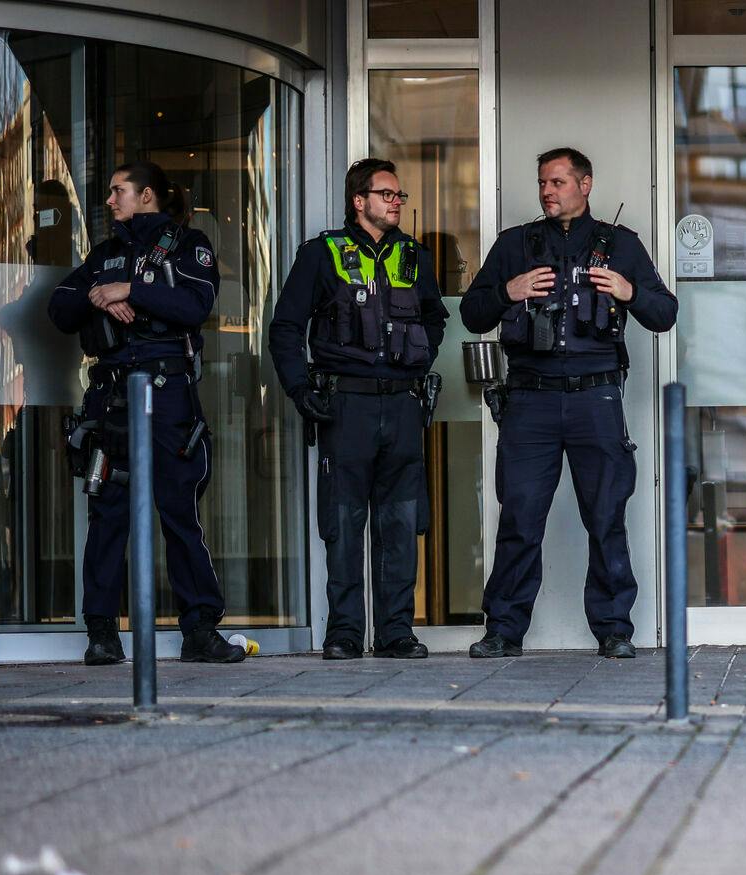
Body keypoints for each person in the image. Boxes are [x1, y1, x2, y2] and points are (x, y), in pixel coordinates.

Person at [459, 147, 677, 659]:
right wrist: (507, 291)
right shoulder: (516, 245)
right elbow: (471, 313)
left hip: (595, 398)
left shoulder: (620, 245)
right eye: (542, 183)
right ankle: (504, 630)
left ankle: (614, 629)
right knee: (520, 516)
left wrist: (628, 290)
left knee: (606, 517)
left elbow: (665, 313)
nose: (547, 192)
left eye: (557, 182)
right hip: (530, 401)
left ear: (586, 184)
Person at [47, 161, 244, 666]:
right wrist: (100, 295)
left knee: (177, 512)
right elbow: (60, 308)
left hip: (168, 394)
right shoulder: (107, 254)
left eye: (119, 192)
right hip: (113, 399)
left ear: (147, 195)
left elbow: (195, 305)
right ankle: (102, 632)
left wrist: (131, 290)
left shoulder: (187, 244)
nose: (111, 201)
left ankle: (200, 630)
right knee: (108, 515)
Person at [268, 158, 447, 660]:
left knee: (399, 522)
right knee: (343, 523)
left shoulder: (414, 256)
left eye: (398, 195)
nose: (396, 202)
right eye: (386, 194)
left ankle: (395, 632)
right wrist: (301, 389)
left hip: (404, 407)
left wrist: (419, 358)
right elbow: (285, 328)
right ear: (359, 200)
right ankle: (344, 632)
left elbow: (435, 317)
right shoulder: (321, 254)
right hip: (345, 406)